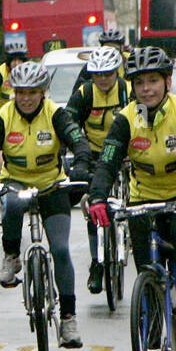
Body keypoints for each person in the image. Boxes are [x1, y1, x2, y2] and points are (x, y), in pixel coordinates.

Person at [87, 46, 176, 351]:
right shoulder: (125, 120)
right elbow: (108, 161)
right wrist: (97, 196)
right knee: (147, 279)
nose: (146, 89)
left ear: (167, 82)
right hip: (143, 201)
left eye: (153, 81)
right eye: (139, 83)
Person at [0, 60, 92, 348]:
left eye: (32, 92)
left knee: (61, 250)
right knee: (11, 204)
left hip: (52, 185)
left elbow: (78, 140)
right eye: (20, 92)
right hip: (16, 181)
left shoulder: (55, 114)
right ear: (14, 92)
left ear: (43, 92)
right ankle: (11, 255)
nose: (26, 98)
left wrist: (83, 164)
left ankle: (68, 318)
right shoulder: (4, 116)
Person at [64, 45, 132, 295]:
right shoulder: (84, 94)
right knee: (95, 207)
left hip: (126, 152)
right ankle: (97, 262)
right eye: (97, 74)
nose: (103, 79)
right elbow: (69, 124)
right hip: (95, 155)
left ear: (116, 72)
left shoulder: (127, 91)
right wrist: (77, 157)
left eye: (108, 74)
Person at [67, 28, 128, 100]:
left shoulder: (129, 61)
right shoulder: (93, 65)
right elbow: (77, 92)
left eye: (115, 49)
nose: (111, 53)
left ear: (122, 48)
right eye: (107, 49)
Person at [0, 46, 28, 111]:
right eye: (14, 60)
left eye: (19, 60)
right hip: (4, 113)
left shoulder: (28, 72)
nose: (17, 64)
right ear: (9, 62)